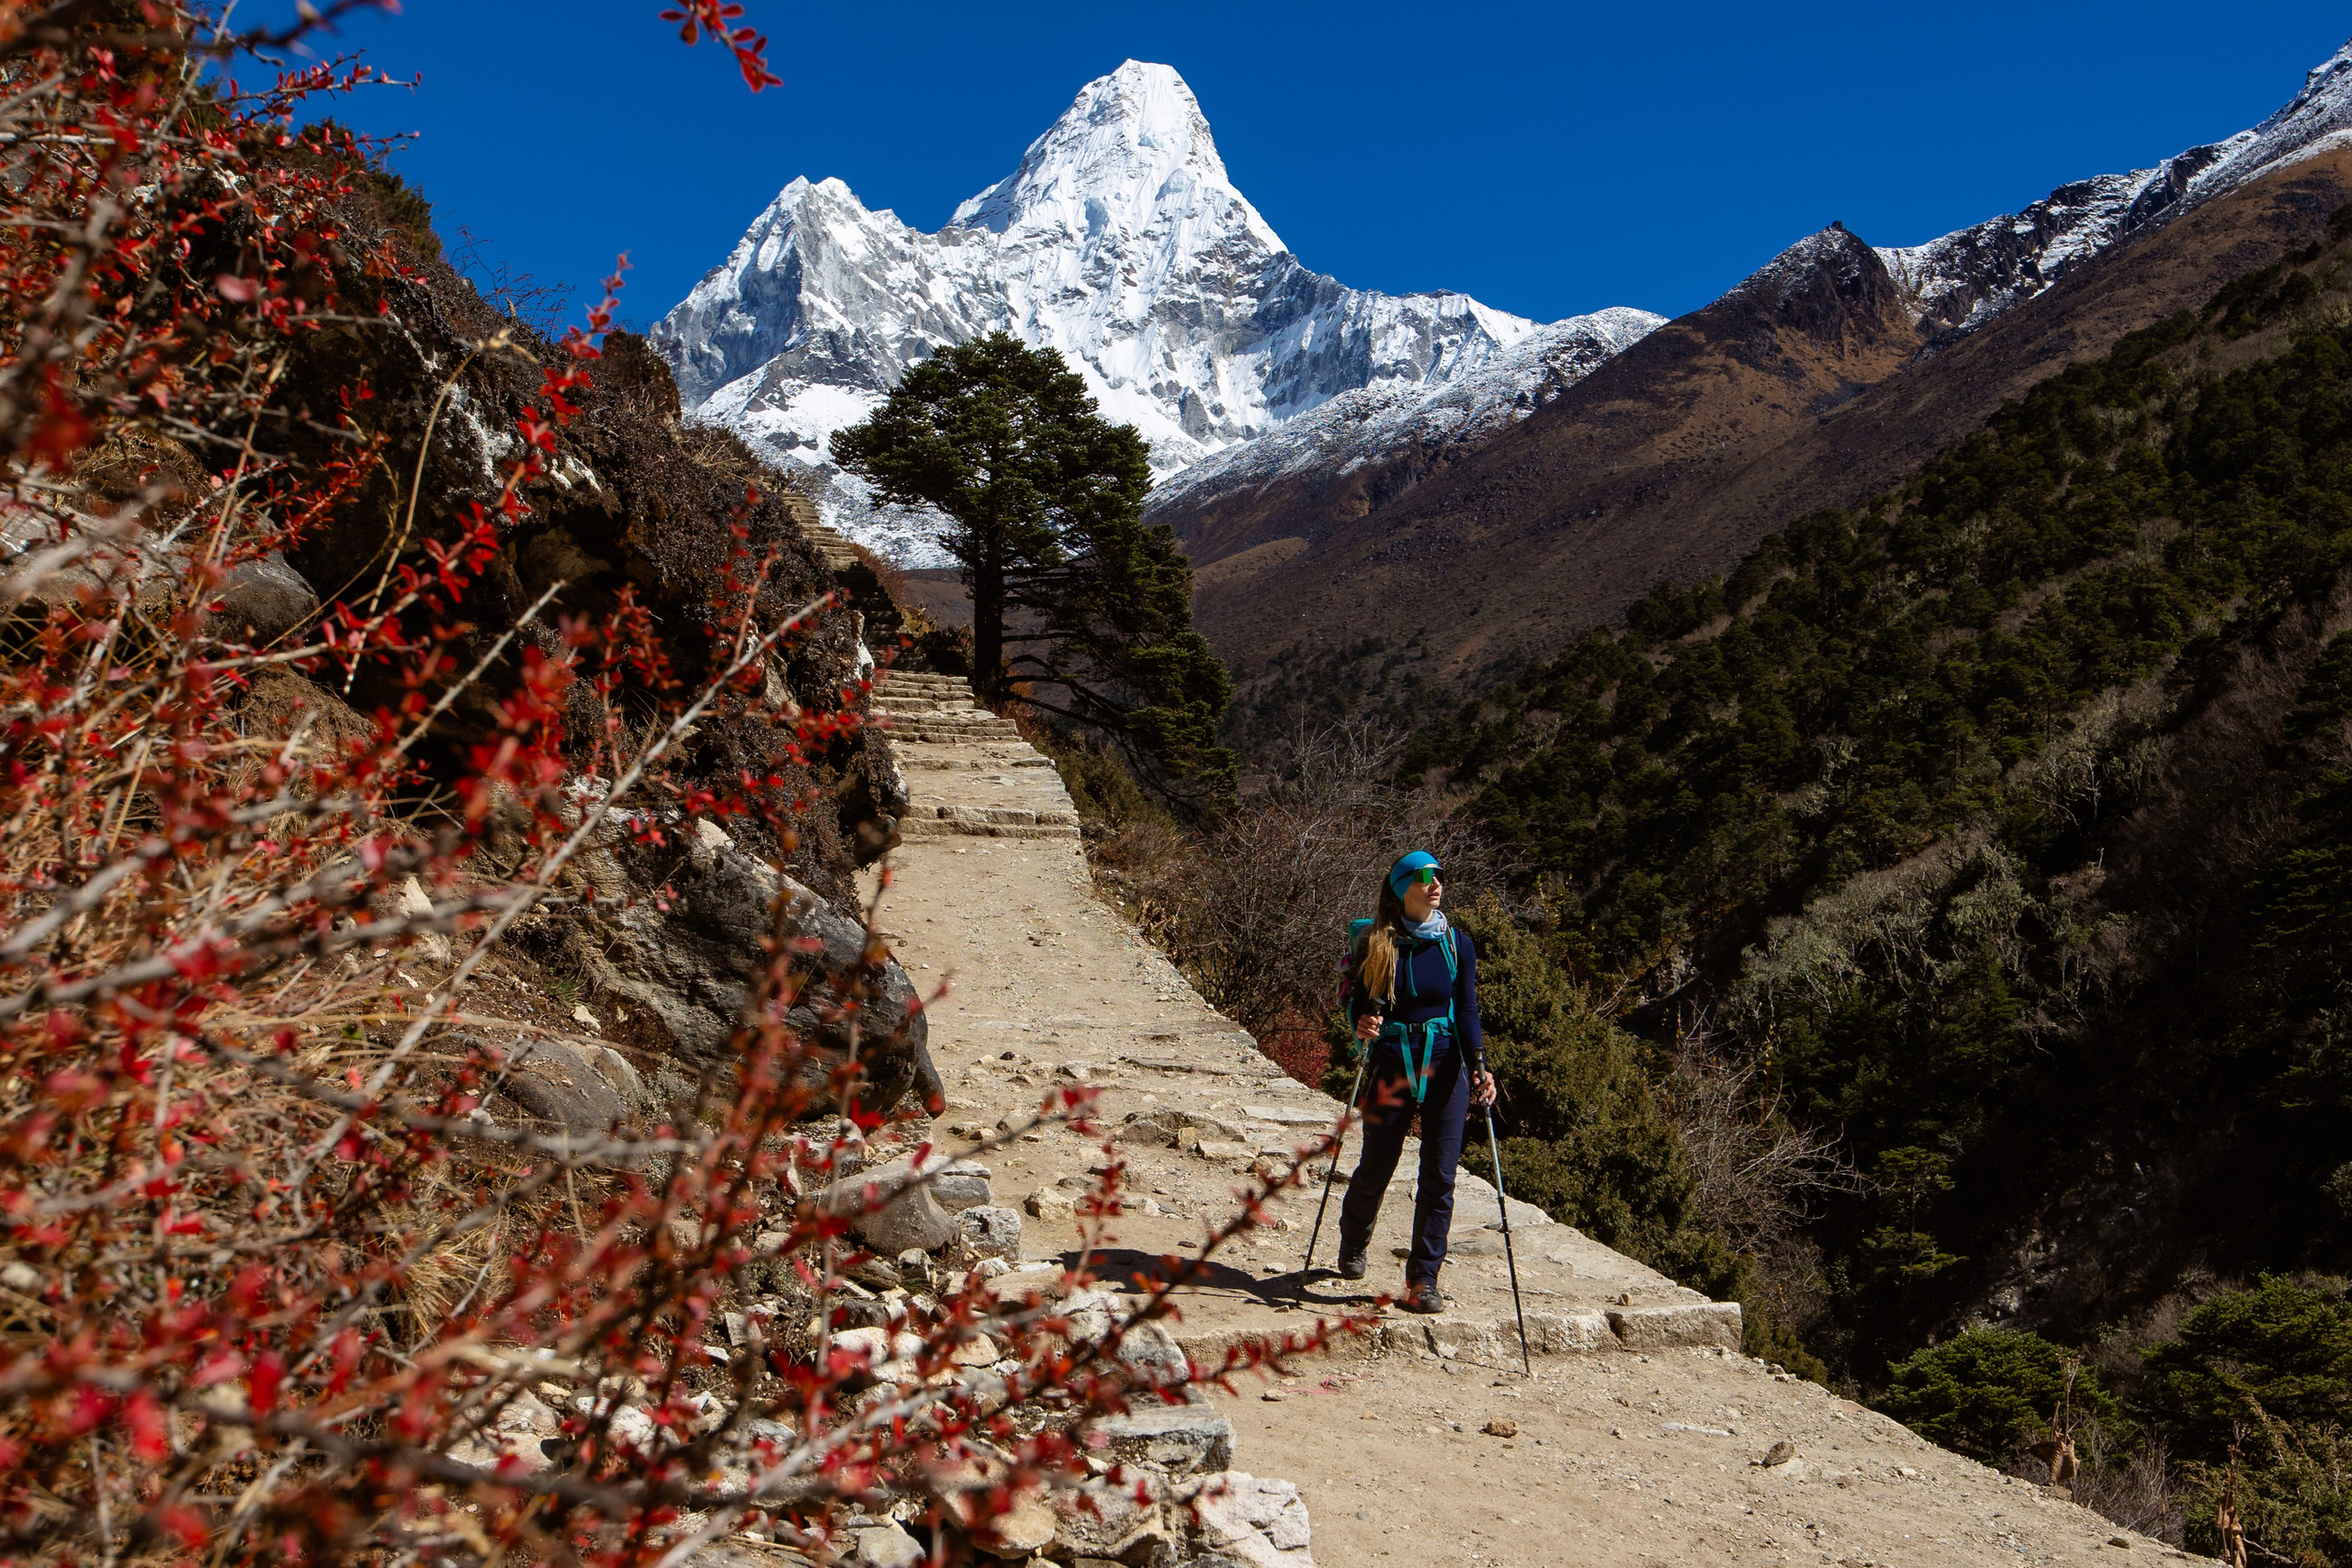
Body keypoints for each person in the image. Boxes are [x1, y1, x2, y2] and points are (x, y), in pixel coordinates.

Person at [1332, 850, 1495, 1314]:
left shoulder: (1457, 943)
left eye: (1439, 875)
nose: (1434, 883)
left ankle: (1423, 1279)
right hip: (1394, 1064)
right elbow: (1360, 1006)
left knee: (1440, 1175)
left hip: (1447, 1067)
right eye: (1423, 877)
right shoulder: (1377, 943)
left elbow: (1466, 1010)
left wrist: (1479, 1065)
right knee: (1378, 1166)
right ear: (1402, 887)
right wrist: (1361, 1025)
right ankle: (1355, 1238)